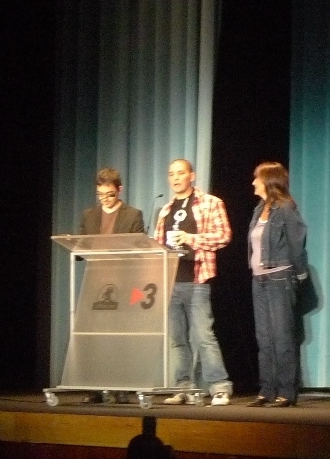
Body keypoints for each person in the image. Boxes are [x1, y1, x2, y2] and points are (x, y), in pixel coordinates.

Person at [153, 159, 233, 406]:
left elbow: (224, 236)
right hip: (170, 280)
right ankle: (183, 388)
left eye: (181, 173)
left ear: (192, 176)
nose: (176, 178)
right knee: (177, 340)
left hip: (197, 279)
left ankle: (219, 388)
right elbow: (157, 244)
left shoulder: (210, 203)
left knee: (203, 336)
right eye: (171, 174)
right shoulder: (165, 210)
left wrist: (190, 238)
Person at [246, 162, 308, 408]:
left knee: (282, 337)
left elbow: (297, 242)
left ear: (268, 181)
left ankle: (286, 392)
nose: (253, 182)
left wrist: (299, 274)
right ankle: (267, 390)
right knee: (264, 338)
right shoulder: (259, 209)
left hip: (280, 277)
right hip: (259, 279)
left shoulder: (285, 208)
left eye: (257, 178)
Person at [80, 167, 145, 404]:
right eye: (100, 195)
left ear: (120, 190)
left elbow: (139, 248)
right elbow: (81, 247)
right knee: (95, 338)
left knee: (120, 337)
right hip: (95, 284)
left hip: (123, 283)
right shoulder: (88, 215)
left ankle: (121, 387)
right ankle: (95, 388)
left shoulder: (133, 215)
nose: (105, 199)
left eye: (109, 194)